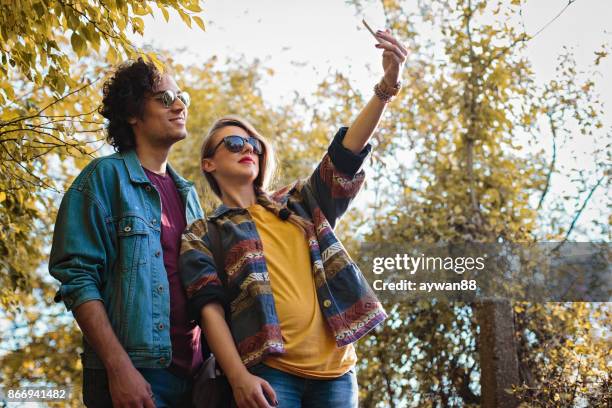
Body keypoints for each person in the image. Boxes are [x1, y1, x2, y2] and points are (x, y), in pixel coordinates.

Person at [179, 29, 406, 408]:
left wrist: (386, 87)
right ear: (209, 163)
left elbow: (347, 154)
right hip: (269, 376)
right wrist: (238, 378)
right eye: (234, 143)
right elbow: (209, 311)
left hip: (337, 374)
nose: (247, 148)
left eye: (252, 143)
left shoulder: (301, 203)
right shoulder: (204, 233)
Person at [49, 58, 204, 407]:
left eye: (183, 97)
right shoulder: (103, 178)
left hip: (196, 381)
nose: (179, 106)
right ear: (134, 113)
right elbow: (77, 277)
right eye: (164, 99)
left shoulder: (188, 196)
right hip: (138, 377)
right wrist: (118, 368)